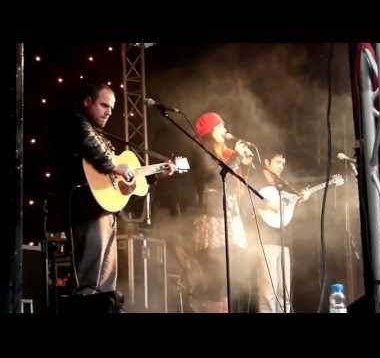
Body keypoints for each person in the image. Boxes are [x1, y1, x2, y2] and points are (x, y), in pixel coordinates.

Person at [51, 83, 173, 303]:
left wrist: (156, 174)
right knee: (91, 275)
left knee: (106, 278)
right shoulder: (78, 122)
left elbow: (127, 182)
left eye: (112, 108)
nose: (108, 111)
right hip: (86, 207)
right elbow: (92, 147)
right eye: (104, 105)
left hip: (102, 209)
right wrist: (115, 166)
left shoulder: (99, 135)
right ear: (88, 102)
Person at [190, 112, 254, 313]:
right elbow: (216, 177)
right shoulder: (201, 150)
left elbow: (237, 183)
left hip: (231, 214)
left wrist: (243, 163)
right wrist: (235, 157)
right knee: (217, 274)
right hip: (213, 216)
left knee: (233, 274)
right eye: (219, 126)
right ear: (209, 130)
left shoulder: (225, 152)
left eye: (224, 125)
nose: (224, 130)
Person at [247, 149, 311, 313]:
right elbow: (246, 201)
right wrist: (267, 204)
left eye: (283, 163)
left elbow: (287, 207)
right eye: (277, 162)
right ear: (267, 162)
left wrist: (301, 199)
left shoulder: (282, 185)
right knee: (268, 290)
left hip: (283, 241)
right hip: (265, 240)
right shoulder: (256, 179)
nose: (281, 166)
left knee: (284, 290)